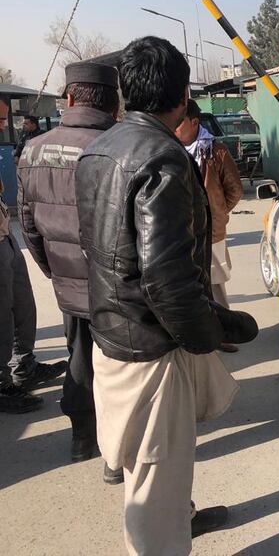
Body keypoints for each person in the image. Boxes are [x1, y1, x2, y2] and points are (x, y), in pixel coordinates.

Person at [75, 36, 258, 556]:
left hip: (111, 334)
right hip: (151, 349)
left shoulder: (98, 151)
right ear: (180, 97)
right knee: (157, 485)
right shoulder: (164, 159)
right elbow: (165, 279)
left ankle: (180, 521)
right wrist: (210, 332)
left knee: (143, 469)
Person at [17, 62, 122, 482]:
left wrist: (55, 272)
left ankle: (82, 438)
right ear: (114, 103)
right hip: (114, 286)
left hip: (67, 283)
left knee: (78, 359)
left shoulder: (33, 149)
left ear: (70, 99)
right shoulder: (117, 145)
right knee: (119, 368)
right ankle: (116, 458)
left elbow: (28, 225)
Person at [0, 95, 67, 414]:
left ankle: (23, 366)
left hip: (5, 236)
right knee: (1, 314)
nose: (3, 127)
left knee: (22, 305)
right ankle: (3, 384)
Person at [175, 99, 244, 353]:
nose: (175, 128)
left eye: (180, 123)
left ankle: (224, 334)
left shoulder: (216, 151)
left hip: (211, 233)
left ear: (194, 122)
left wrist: (217, 212)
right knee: (189, 284)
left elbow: (234, 189)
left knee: (215, 283)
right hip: (181, 231)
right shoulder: (171, 149)